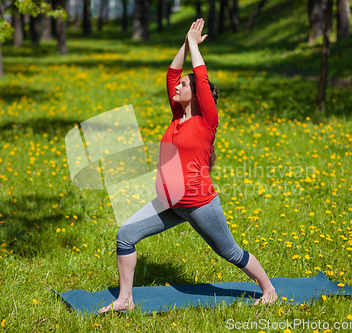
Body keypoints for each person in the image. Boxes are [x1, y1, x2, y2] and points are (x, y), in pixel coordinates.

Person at [98, 18, 278, 314]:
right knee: (125, 236)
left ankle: (268, 289)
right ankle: (124, 299)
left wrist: (194, 46)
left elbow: (200, 77)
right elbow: (172, 72)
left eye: (184, 85)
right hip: (169, 202)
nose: (177, 86)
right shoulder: (176, 116)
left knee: (229, 251)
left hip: (198, 203)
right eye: (179, 84)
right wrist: (185, 42)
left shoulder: (206, 120)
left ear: (196, 94)